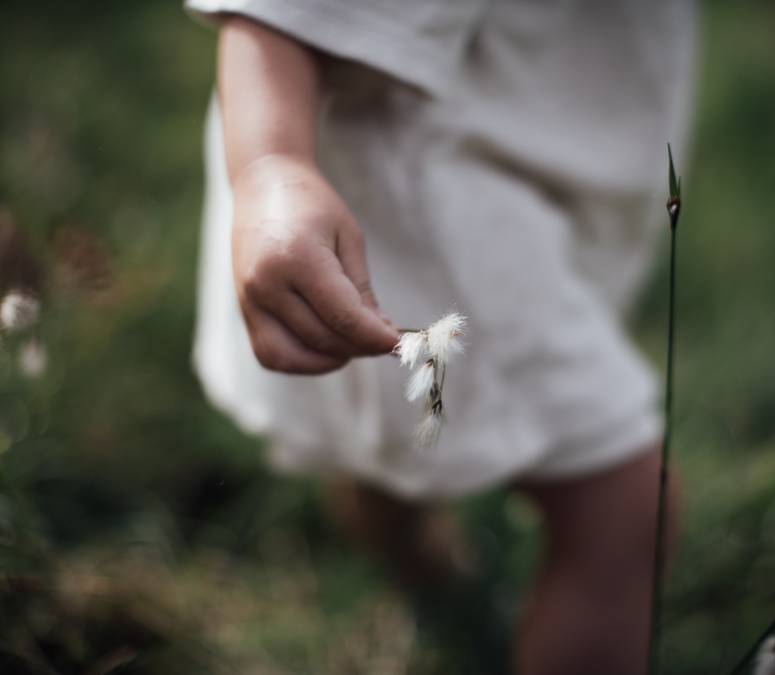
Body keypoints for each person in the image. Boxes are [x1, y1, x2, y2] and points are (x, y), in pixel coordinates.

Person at [187, 1, 696, 672]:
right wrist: (272, 167)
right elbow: (280, 12)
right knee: (625, 511)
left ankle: (424, 577)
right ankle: (426, 573)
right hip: (437, 198)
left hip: (494, 170)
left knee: (402, 441)